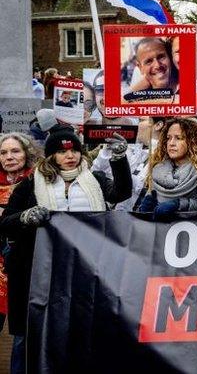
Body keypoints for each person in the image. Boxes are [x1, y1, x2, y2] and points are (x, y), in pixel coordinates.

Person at [0, 127, 131, 374]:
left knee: (78, 334)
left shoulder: (95, 180)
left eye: (73, 151)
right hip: (36, 272)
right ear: (51, 156)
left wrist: (119, 158)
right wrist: (26, 217)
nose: (69, 156)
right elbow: (5, 222)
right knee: (28, 339)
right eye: (61, 152)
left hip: (83, 271)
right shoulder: (31, 184)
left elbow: (121, 192)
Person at [130, 118, 197, 215]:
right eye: (168, 138)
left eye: (178, 138)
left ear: (193, 142)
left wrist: (182, 205)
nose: (171, 143)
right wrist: (143, 210)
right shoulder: (156, 167)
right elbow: (137, 212)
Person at [0, 134, 39, 333]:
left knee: (23, 330)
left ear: (27, 153)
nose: (9, 157)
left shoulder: (39, 181)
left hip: (24, 262)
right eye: (3, 152)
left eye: (15, 151)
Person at [125, 37, 180, 101]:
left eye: (161, 57)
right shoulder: (137, 98)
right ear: (140, 68)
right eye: (149, 61)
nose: (157, 65)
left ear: (169, 57)